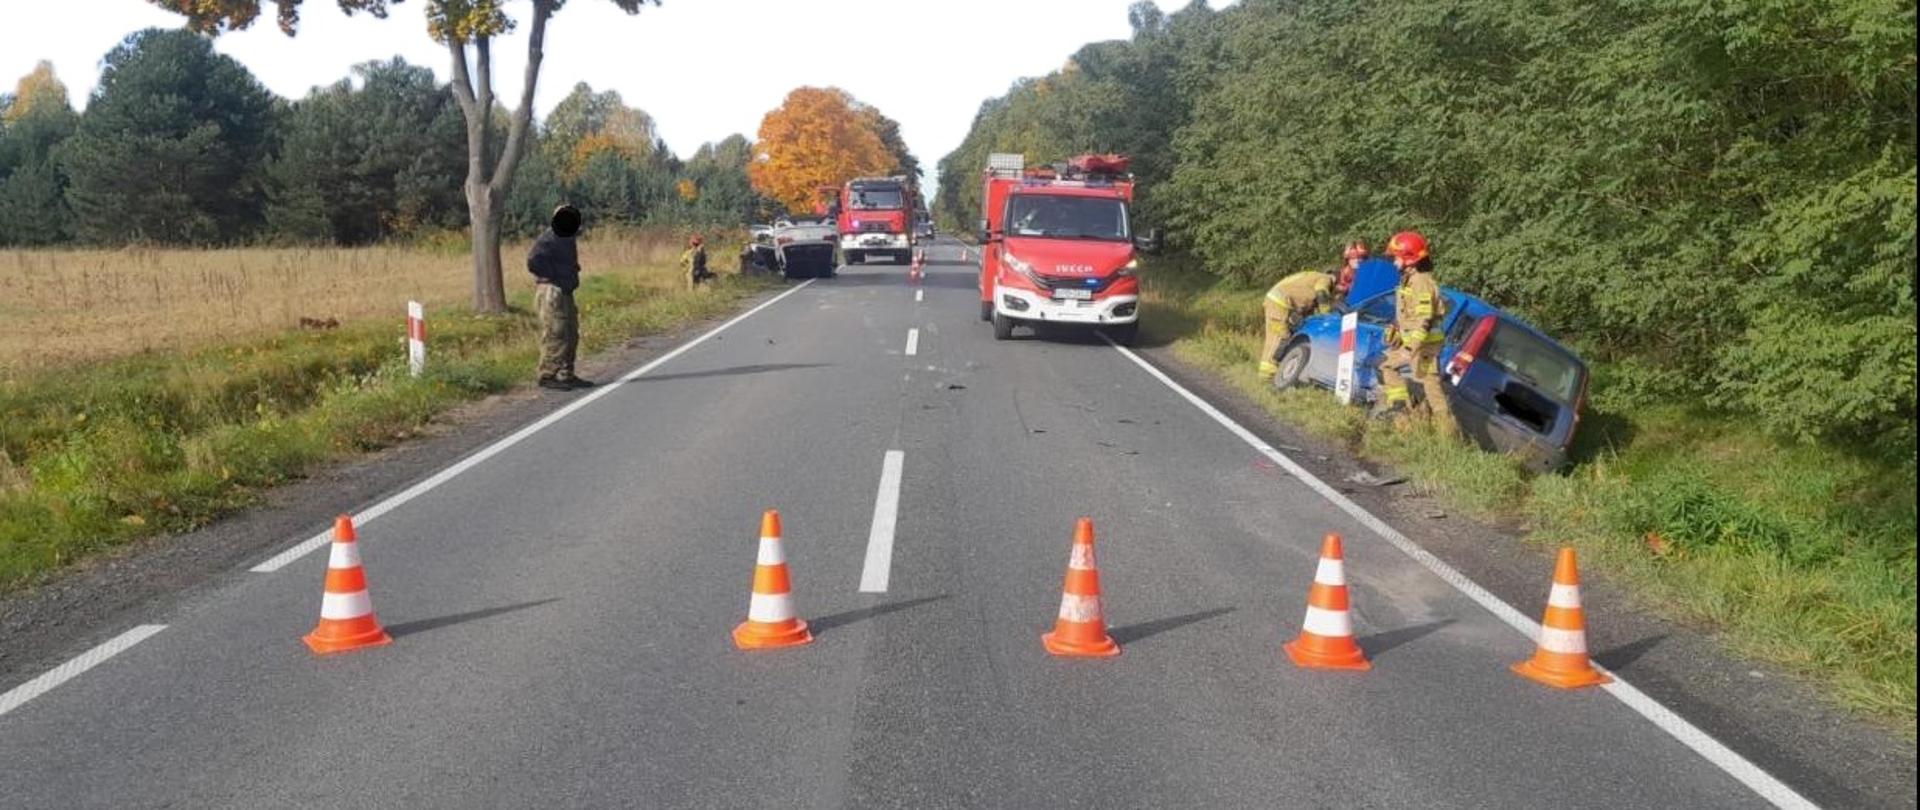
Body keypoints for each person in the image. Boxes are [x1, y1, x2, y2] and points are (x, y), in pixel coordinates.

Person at [1372, 230, 1454, 433]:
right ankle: (1401, 411)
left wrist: (1410, 348)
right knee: (1385, 365)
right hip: (1416, 343)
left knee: (1432, 390)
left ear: (1409, 259)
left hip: (1425, 346)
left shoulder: (1421, 282)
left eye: (1396, 257)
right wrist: (1397, 329)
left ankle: (1446, 436)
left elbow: (1424, 319)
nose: (1394, 262)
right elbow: (1409, 314)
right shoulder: (1409, 279)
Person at [1259, 242, 1366, 381]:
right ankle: (1267, 376)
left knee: (1278, 336)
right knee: (1281, 337)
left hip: (1278, 301)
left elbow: (1307, 300)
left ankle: (1269, 374)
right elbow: (1321, 293)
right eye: (1340, 288)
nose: (1339, 291)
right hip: (1279, 303)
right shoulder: (1325, 279)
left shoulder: (1313, 277)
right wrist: (1326, 314)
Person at [527, 205, 592, 391]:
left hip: (565, 291)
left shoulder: (566, 238)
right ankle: (548, 374)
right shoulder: (550, 237)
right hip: (552, 291)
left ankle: (565, 373)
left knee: (570, 332)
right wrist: (552, 276)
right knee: (556, 332)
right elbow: (533, 261)